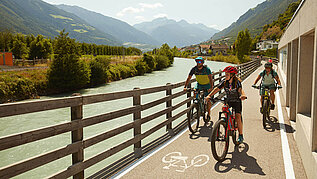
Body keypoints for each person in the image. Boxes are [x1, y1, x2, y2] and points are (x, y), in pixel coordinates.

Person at [205, 66, 247, 143]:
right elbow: (216, 89)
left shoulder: (237, 82)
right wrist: (209, 96)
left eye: (227, 74)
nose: (225, 76)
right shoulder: (224, 82)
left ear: (232, 75)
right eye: (225, 74)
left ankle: (241, 135)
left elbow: (241, 91)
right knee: (223, 108)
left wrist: (243, 95)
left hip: (237, 101)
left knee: (238, 116)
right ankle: (228, 121)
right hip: (229, 100)